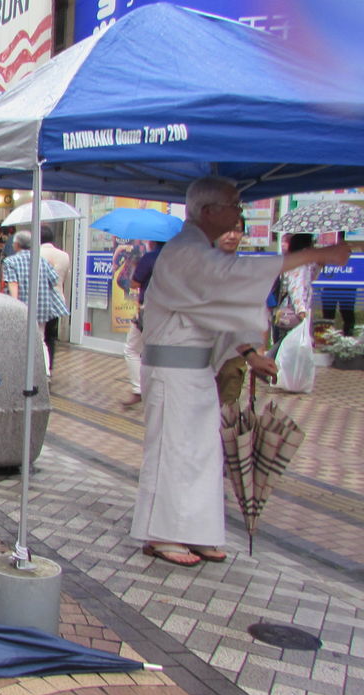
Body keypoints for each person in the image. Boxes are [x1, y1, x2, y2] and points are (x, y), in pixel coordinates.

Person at [133, 177, 349, 567]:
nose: (239, 213)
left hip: (196, 371)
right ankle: (162, 533)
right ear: (208, 211)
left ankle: (196, 531)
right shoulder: (185, 252)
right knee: (174, 451)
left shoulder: (199, 251)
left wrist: (249, 353)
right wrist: (314, 254)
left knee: (203, 452)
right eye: (234, 205)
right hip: (171, 371)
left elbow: (222, 302)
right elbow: (234, 277)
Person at [2, 231, 68, 377]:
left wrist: (15, 305)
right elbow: (54, 280)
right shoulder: (41, 261)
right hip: (42, 305)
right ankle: (45, 372)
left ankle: (21, 371)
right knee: (41, 339)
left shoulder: (10, 261)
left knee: (20, 339)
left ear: (16, 245)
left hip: (22, 306)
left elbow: (13, 284)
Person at [120, 240, 163, 408]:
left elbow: (134, 283)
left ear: (152, 241)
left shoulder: (150, 258)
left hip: (148, 310)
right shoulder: (178, 259)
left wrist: (136, 267)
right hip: (170, 313)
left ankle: (139, 389)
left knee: (132, 349)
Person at [211, 224, 250, 405]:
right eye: (226, 229)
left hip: (233, 353)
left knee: (227, 409)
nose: (232, 235)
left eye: (237, 230)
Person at [271, 233, 319, 349]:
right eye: (311, 244)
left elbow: (311, 278)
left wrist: (320, 264)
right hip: (293, 314)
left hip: (295, 312)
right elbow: (296, 289)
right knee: (287, 348)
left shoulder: (302, 263)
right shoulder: (298, 265)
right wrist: (301, 312)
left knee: (287, 348)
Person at [38, 224, 71, 368]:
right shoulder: (64, 256)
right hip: (57, 299)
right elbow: (64, 279)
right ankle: (49, 366)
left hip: (39, 300)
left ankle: (41, 367)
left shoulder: (35, 254)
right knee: (50, 335)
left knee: (38, 335)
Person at [320, 232, 356, 337]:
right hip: (331, 288)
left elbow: (354, 269)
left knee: (347, 314)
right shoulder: (328, 251)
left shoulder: (348, 251)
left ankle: (348, 336)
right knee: (328, 315)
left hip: (346, 288)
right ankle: (327, 337)